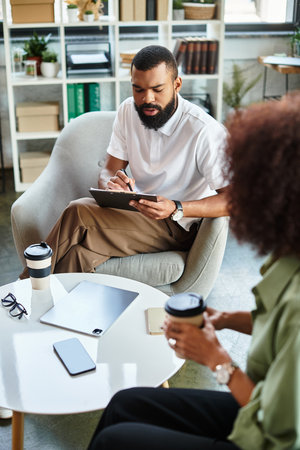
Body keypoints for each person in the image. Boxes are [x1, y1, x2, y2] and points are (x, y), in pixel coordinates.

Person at [87, 92, 300, 450]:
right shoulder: (289, 256)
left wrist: (216, 359)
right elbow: (280, 321)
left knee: (114, 440)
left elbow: (277, 428)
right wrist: (227, 318)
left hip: (265, 438)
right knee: (125, 405)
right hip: (258, 408)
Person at [20, 45, 229, 276]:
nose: (147, 99)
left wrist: (176, 208)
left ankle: (23, 291)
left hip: (176, 225)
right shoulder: (128, 111)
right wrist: (112, 186)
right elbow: (109, 169)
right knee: (77, 255)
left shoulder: (204, 131)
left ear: (177, 84)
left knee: (78, 212)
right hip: (135, 212)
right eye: (138, 89)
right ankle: (58, 310)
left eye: (157, 89)